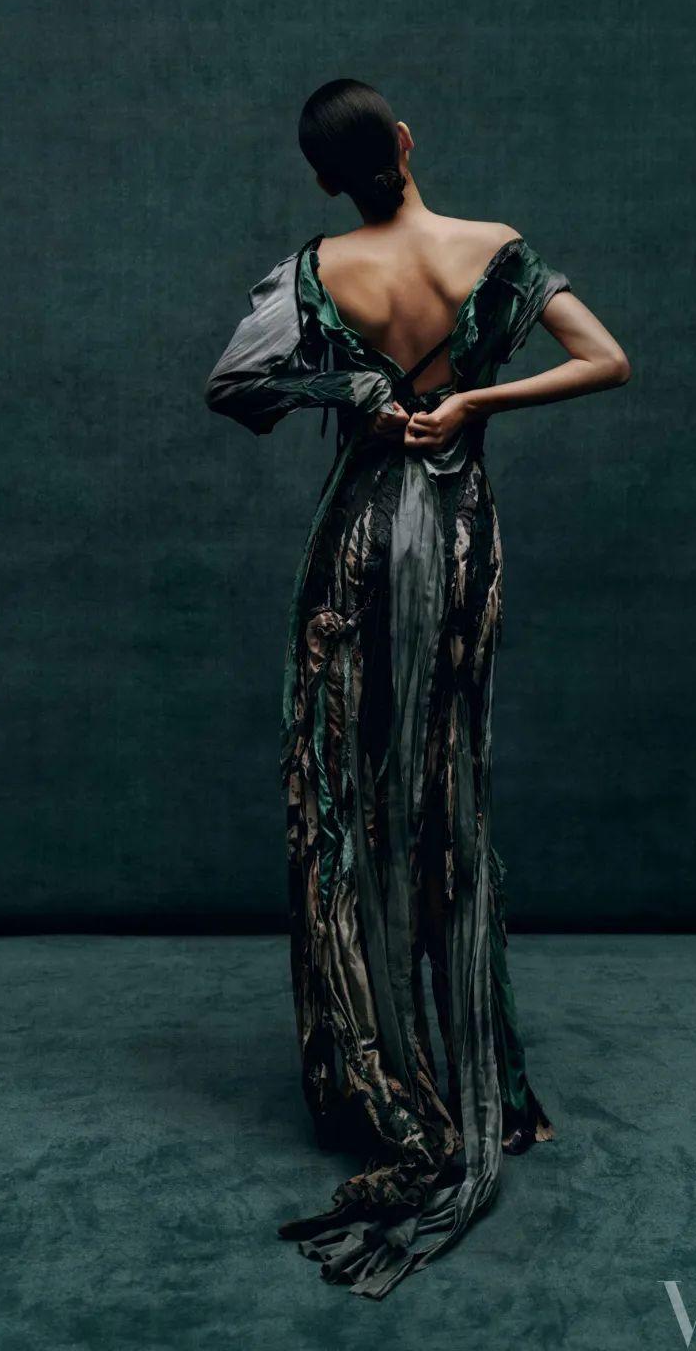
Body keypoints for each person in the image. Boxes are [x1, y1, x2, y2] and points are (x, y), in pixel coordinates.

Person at [204, 78, 630, 1299]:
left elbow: (233, 387)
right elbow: (606, 360)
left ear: (326, 178)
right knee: (448, 798)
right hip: (455, 536)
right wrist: (480, 396)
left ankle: (378, 1085)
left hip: (351, 541)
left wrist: (353, 393)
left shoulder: (316, 270)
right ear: (403, 141)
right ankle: (486, 1087)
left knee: (346, 799)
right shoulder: (492, 250)